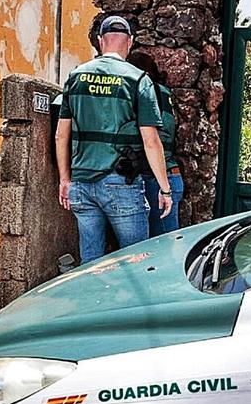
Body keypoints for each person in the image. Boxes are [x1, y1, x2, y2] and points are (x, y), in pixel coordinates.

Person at [55, 15, 173, 263]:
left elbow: (60, 135)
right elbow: (151, 141)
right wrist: (165, 189)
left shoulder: (76, 77)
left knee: (90, 264)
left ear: (100, 42)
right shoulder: (138, 80)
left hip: (81, 182)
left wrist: (65, 179)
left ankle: (94, 300)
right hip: (121, 183)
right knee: (136, 261)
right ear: (130, 42)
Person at [127, 49, 183, 236]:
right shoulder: (164, 94)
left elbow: (150, 138)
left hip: (157, 178)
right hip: (170, 174)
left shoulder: (145, 95)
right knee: (166, 241)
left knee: (162, 245)